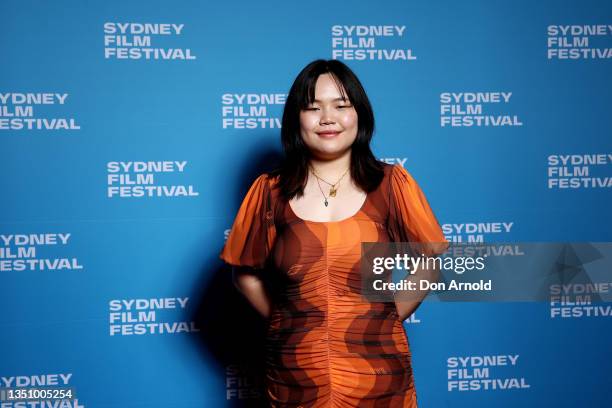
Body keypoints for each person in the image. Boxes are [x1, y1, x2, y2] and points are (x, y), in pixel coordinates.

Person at [219, 59, 447, 407]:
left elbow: (428, 263)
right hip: (296, 373)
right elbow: (245, 273)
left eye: (341, 106)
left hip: (378, 373)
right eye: (313, 108)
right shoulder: (269, 191)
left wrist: (382, 318)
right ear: (296, 119)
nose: (328, 118)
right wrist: (291, 322)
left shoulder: (392, 184)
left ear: (360, 114)